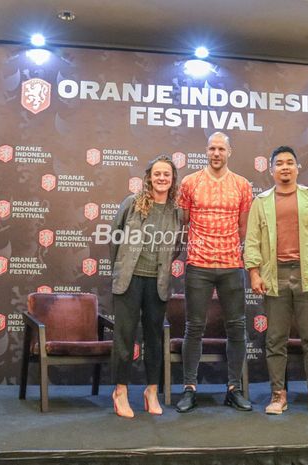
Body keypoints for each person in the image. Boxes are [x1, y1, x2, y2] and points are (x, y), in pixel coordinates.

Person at [243, 146, 308, 416]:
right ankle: (278, 394)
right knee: (275, 339)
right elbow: (251, 241)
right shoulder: (261, 202)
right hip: (273, 276)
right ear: (271, 169)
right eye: (279, 164)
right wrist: (254, 272)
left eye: (290, 163)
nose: (285, 167)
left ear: (297, 168)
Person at [175, 131, 253, 413]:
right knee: (194, 327)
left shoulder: (243, 185)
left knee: (237, 327)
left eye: (221, 148)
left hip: (232, 265)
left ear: (229, 151)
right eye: (212, 148)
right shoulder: (189, 182)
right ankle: (189, 389)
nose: (216, 153)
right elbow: (181, 220)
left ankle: (234, 388)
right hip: (198, 264)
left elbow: (245, 228)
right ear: (205, 151)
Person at [109, 155, 183, 418]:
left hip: (158, 283)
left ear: (173, 179)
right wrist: (121, 269)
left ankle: (151, 391)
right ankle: (121, 392)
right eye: (157, 174)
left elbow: (176, 248)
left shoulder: (177, 211)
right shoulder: (132, 203)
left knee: (154, 339)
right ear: (149, 177)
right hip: (129, 281)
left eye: (167, 174)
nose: (162, 178)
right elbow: (115, 238)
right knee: (125, 337)